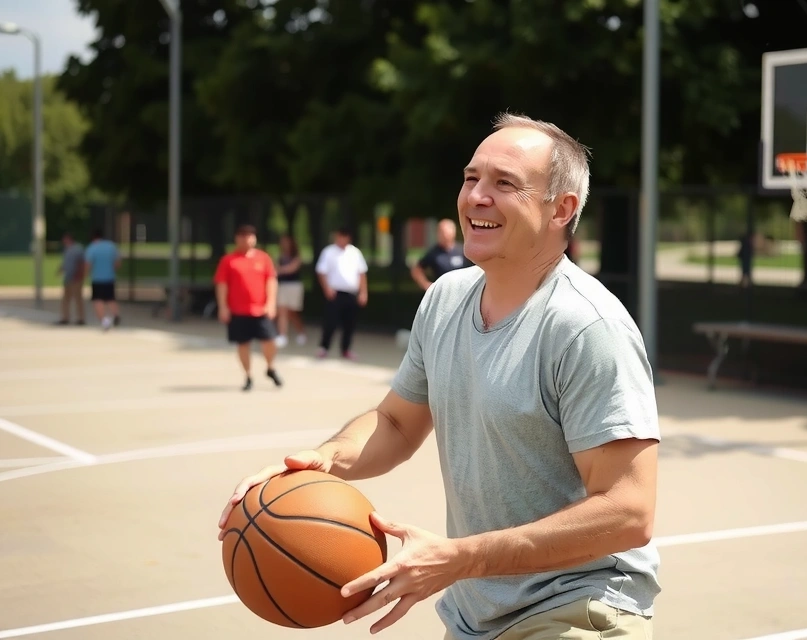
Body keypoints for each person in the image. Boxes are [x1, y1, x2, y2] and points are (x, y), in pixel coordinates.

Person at [218, 113, 661, 639]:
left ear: (561, 209)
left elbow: (627, 512)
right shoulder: (446, 299)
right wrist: (324, 461)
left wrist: (460, 558)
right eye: (472, 178)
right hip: (476, 616)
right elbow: (397, 423)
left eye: (504, 183)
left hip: (576, 608)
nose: (476, 196)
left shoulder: (587, 327)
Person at [213, 224, 283, 391]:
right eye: (243, 235)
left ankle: (270, 367)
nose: (247, 239)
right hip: (238, 310)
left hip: (260, 310)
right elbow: (221, 284)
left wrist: (271, 303)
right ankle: (248, 376)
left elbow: (271, 281)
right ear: (237, 238)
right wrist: (223, 306)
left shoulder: (263, 258)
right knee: (243, 344)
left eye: (250, 235)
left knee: (270, 341)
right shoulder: (228, 260)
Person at [314, 227, 368, 359]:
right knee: (330, 321)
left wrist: (363, 292)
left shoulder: (355, 253)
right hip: (335, 292)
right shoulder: (328, 252)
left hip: (351, 293)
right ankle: (324, 347)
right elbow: (322, 272)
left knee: (350, 323)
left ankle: (346, 349)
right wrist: (326, 288)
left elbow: (361, 274)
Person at [410, 218, 470, 290]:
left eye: (446, 232)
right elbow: (417, 269)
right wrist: (426, 285)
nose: (444, 235)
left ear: (453, 232)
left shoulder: (463, 250)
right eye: (441, 232)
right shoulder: (434, 253)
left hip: (462, 290)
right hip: (442, 292)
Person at [83, 229, 121, 330]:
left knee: (98, 300)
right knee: (110, 298)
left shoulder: (92, 248)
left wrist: (86, 275)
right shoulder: (111, 246)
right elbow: (117, 263)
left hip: (97, 278)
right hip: (109, 277)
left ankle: (104, 321)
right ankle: (115, 314)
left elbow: (88, 264)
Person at [273, 234, 307, 347]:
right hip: (282, 285)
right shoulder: (280, 256)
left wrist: (278, 270)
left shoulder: (296, 257)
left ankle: (301, 332)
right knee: (282, 309)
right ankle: (282, 335)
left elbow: (291, 269)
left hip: (294, 286)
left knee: (292, 312)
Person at [56, 232, 86, 325]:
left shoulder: (78, 249)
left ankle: (81, 318)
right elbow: (65, 263)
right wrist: (60, 270)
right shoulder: (66, 249)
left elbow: (82, 262)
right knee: (66, 298)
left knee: (78, 298)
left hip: (76, 277)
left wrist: (80, 274)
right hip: (68, 277)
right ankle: (65, 317)